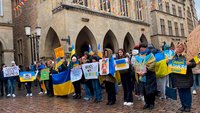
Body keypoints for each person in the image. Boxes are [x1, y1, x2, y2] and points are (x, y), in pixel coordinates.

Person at [171, 43, 196, 112]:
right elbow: (171, 65)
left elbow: (194, 63)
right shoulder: (174, 56)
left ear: (183, 48)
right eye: (178, 47)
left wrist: (189, 63)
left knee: (187, 92)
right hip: (177, 77)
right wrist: (168, 62)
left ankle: (188, 106)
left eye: (180, 47)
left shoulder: (188, 55)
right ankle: (183, 105)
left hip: (186, 77)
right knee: (180, 92)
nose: (179, 48)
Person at [135, 43, 157, 110]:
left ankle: (151, 103)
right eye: (141, 47)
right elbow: (136, 64)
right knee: (144, 90)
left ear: (146, 48)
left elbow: (153, 63)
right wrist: (138, 71)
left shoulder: (150, 55)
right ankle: (147, 103)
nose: (141, 48)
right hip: (142, 75)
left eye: (143, 47)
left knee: (150, 91)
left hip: (150, 75)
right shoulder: (139, 56)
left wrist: (146, 69)